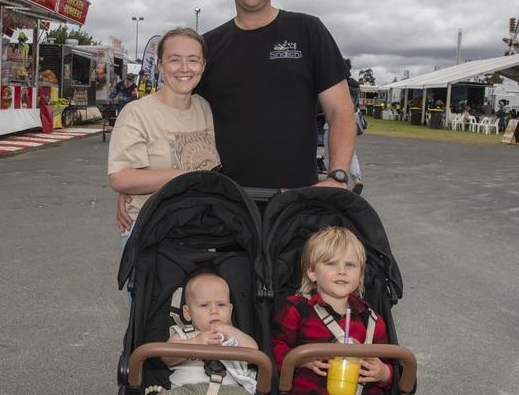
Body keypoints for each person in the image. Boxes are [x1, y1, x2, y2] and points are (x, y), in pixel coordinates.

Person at [116, 0, 355, 231]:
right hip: (223, 205)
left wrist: (338, 175)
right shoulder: (208, 47)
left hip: (296, 203)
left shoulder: (308, 31)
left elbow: (341, 111)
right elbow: (176, 117)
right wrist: (140, 181)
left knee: (297, 278)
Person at [108, 28, 221, 237]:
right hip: (153, 235)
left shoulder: (204, 107)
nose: (185, 68)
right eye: (175, 60)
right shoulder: (137, 113)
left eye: (194, 60)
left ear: (203, 65)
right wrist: (185, 177)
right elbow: (120, 178)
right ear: (160, 64)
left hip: (202, 232)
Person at [272, 227, 392, 395]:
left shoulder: (371, 319)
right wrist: (300, 360)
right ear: (312, 272)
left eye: (350, 265)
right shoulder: (297, 309)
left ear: (360, 275)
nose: (342, 271)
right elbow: (275, 348)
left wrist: (384, 373)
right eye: (331, 263)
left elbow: (390, 363)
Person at [162, 272, 258, 394]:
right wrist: (195, 342)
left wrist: (228, 330)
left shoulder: (234, 337)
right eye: (204, 305)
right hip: (189, 389)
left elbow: (253, 354)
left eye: (221, 304)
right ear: (188, 313)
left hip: (231, 391)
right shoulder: (184, 335)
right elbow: (166, 356)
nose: (214, 311)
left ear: (230, 310)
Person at [323, 76, 364, 194]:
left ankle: (334, 181)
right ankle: (357, 179)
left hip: (333, 124)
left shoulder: (338, 86)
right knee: (352, 154)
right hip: (351, 122)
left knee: (330, 155)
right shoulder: (354, 86)